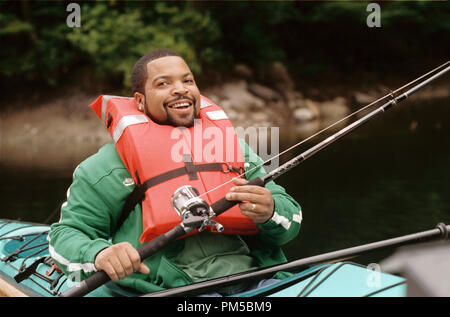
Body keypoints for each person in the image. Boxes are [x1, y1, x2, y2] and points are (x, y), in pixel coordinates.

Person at [49, 48, 302, 296]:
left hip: (257, 284)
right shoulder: (104, 168)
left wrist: (270, 211)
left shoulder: (235, 148)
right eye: (163, 84)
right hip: (167, 292)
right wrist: (100, 254)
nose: (181, 88)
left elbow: (291, 220)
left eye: (188, 80)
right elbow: (64, 236)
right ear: (139, 101)